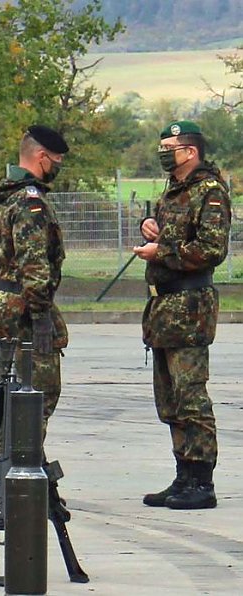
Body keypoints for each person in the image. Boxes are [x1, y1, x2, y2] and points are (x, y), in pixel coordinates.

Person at [134, 120, 231, 510]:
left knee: (191, 396)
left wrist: (163, 252)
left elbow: (210, 249)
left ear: (190, 151)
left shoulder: (209, 192)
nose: (163, 151)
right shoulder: (174, 192)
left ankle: (202, 481)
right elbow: (174, 236)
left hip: (189, 307)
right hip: (164, 308)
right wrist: (152, 229)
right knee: (170, 399)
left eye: (169, 145)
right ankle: (183, 475)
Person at [0, 125, 69, 439]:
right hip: (26, 310)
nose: (58, 165)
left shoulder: (1, 198)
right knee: (38, 395)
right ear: (42, 157)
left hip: (4, 303)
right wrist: (42, 314)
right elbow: (35, 263)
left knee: (12, 389)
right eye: (56, 158)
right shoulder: (31, 202)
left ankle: (26, 470)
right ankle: (22, 474)